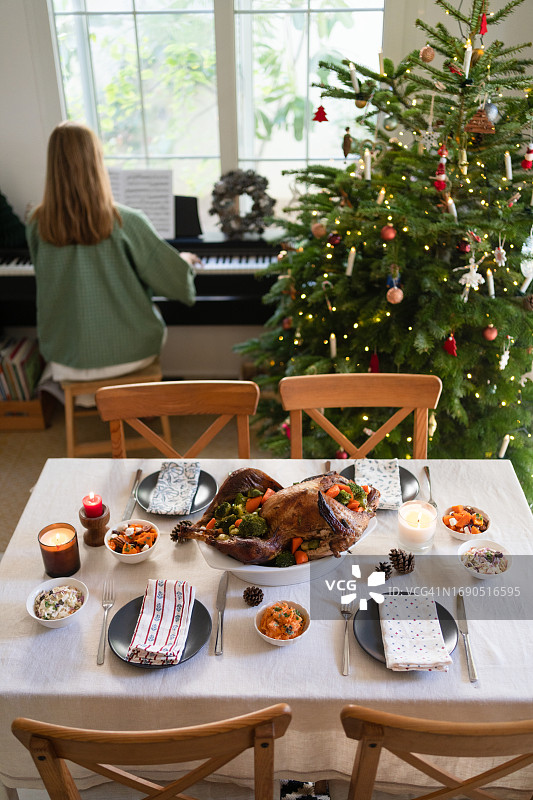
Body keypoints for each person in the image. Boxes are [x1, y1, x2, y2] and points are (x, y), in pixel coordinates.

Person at [26, 121, 199, 400]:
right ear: (96, 161)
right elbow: (171, 280)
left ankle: (93, 403)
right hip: (131, 354)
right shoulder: (125, 221)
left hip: (66, 358)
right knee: (153, 317)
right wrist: (185, 262)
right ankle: (134, 408)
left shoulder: (36, 223)